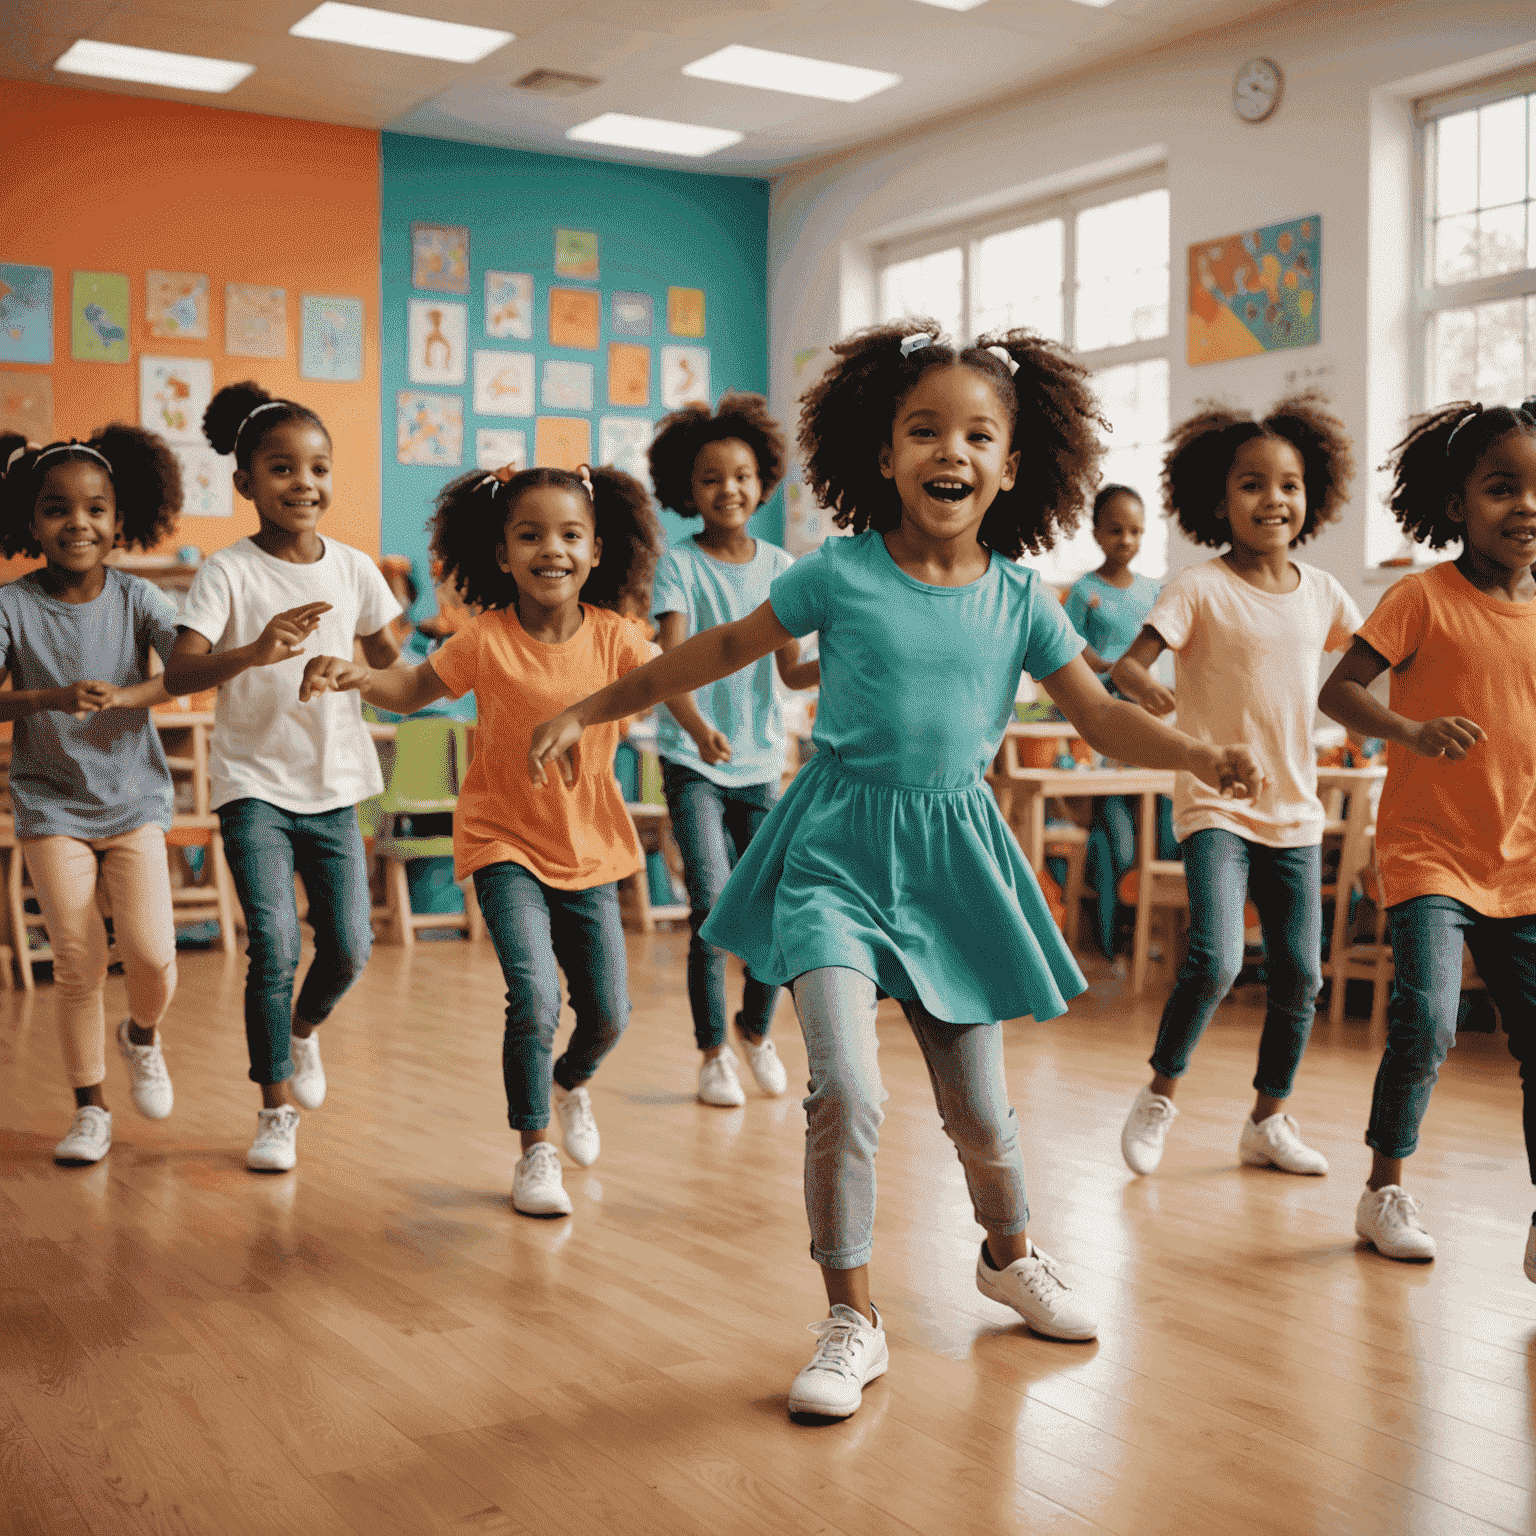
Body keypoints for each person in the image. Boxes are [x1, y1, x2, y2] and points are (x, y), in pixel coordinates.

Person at [528, 322, 1262, 1419]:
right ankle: (850, 1316)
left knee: (980, 1117)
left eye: (975, 434)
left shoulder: (1023, 600)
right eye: (923, 430)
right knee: (846, 1089)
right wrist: (590, 707)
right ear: (884, 455)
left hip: (954, 863)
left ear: (1012, 468)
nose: (947, 451)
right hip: (832, 854)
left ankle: (1008, 1254)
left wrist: (1198, 751)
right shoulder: (842, 573)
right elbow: (720, 650)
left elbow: (1105, 716)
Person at [298, 462, 665, 1219]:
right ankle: (535, 1150)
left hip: (590, 846)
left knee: (607, 1014)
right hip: (504, 840)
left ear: (596, 550)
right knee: (533, 995)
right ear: (502, 555)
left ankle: (571, 1081)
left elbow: (667, 680)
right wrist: (358, 677)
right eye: (529, 536)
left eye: (569, 535)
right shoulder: (485, 638)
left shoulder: (619, 638)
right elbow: (410, 689)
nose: (550, 550)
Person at [1112, 395, 1360, 1180]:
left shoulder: (1322, 593)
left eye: (1288, 484)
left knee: (1301, 974)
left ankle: (1268, 1118)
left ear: (1311, 494)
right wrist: (1146, 691)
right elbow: (1126, 666)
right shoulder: (1199, 587)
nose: (1273, 500)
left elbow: (1370, 665)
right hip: (1216, 802)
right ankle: (1159, 1092)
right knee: (1216, 958)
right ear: (1217, 501)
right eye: (1252, 484)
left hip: (1295, 808)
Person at [1318, 396, 1536, 1276]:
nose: (1524, 506)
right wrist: (1408, 732)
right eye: (1501, 488)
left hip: (1520, 860)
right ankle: (1384, 1189)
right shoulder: (1421, 598)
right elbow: (1339, 692)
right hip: (1427, 855)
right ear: (1455, 505)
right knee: (1429, 1020)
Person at [164, 382, 401, 1172]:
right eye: (281, 469)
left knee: (349, 948)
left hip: (335, 785)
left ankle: (302, 1031)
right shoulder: (228, 575)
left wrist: (356, 671)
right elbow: (179, 671)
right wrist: (256, 651)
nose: (304, 483)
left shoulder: (358, 569)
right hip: (252, 786)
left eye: (318, 467)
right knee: (272, 942)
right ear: (245, 484)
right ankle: (273, 1106)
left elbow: (393, 664)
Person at [0, 427, 182, 1165]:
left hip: (134, 799)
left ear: (120, 516)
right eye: (56, 509)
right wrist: (47, 696)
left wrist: (131, 693)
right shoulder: (11, 606)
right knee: (77, 962)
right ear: (28, 520)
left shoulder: (142, 596)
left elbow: (186, 671)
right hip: (50, 806)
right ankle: (90, 1109)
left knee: (151, 955)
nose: (79, 524)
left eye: (96, 509)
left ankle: (140, 1033)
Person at [647, 394, 819, 1107]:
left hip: (758, 764)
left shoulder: (782, 565)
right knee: (715, 907)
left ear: (764, 481)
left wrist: (847, 655)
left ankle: (755, 1028)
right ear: (689, 490)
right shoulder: (677, 566)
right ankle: (713, 1052)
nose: (729, 490)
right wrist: (693, 727)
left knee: (778, 910)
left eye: (742, 476)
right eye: (713, 478)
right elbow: (668, 664)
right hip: (693, 762)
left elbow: (791, 673)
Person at [1062, 484, 1175, 957]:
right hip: (1103, 723)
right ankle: (1110, 940)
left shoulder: (1156, 592)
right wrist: (1111, 668)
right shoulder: (1084, 592)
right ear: (1097, 534)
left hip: (1148, 717)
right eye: (1115, 530)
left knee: (1164, 831)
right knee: (1116, 840)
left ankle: (1153, 936)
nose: (1125, 540)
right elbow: (1065, 645)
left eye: (1135, 531)